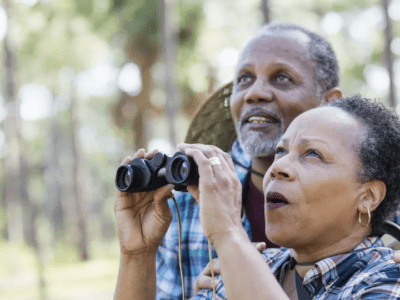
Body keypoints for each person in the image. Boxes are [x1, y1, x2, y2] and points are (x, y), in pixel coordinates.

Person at [114, 95, 400, 300]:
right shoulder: (248, 268)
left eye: (313, 154)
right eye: (280, 152)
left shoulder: (386, 282)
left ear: (368, 196)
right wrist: (137, 255)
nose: (279, 168)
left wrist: (228, 233)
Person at [155, 23, 343, 298]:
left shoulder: (376, 202)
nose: (254, 93)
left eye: (281, 78)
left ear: (329, 102)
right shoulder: (187, 205)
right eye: (244, 78)